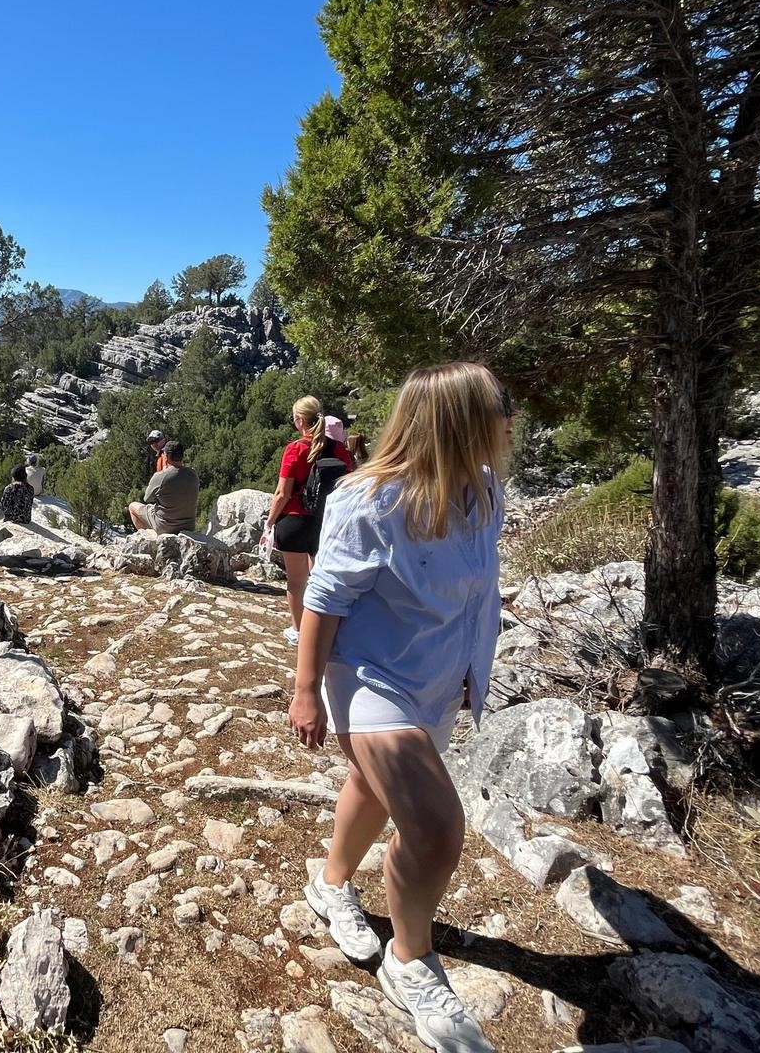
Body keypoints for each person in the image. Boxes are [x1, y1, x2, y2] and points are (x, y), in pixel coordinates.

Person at [289, 362, 513, 1053]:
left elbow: (479, 588)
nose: (510, 426)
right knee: (439, 829)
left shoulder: (482, 490)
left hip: (437, 679)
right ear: (461, 421)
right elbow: (323, 599)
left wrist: (475, 669)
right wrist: (305, 692)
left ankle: (329, 884)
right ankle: (411, 960)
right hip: (365, 676)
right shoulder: (371, 500)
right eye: (498, 413)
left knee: (375, 788)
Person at [266, 396, 356, 645]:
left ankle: (299, 631)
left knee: (297, 582)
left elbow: (282, 493)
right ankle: (323, 632)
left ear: (299, 421)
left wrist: (270, 521)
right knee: (322, 580)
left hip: (294, 521)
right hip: (327, 522)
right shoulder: (340, 450)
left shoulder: (296, 449)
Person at [129, 439, 199, 534]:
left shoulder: (160, 476)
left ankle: (146, 537)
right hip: (189, 526)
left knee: (132, 506)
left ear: (166, 456)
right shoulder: (193, 473)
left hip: (165, 527)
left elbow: (147, 498)